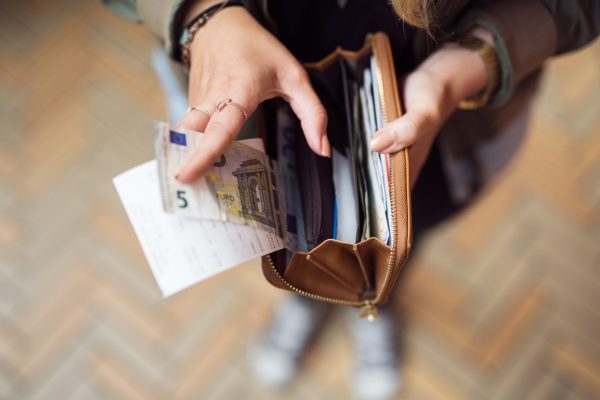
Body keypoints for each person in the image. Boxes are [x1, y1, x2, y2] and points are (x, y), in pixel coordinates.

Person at [105, 0, 599, 398]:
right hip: (241, 94)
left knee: (398, 231)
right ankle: (312, 291)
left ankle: (373, 299)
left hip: (442, 118)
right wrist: (202, 15)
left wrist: (467, 65)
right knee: (281, 235)